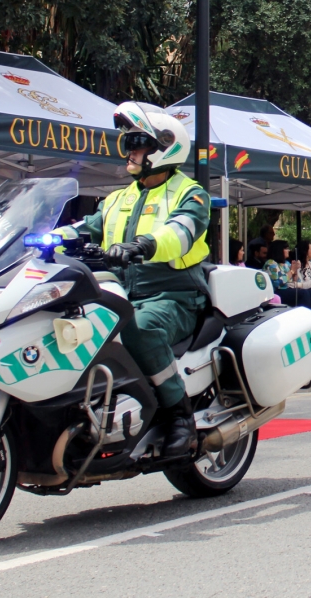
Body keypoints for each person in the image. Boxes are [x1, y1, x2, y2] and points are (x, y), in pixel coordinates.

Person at [55, 101, 210, 457]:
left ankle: (179, 416)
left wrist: (142, 245)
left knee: (139, 328)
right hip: (117, 292)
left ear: (164, 147)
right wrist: (41, 237)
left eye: (138, 143)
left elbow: (181, 233)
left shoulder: (190, 193)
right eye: (128, 143)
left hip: (173, 295)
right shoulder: (117, 199)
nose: (129, 151)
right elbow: (85, 228)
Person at [264, 240, 311, 315]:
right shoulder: (271, 263)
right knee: (303, 293)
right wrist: (292, 271)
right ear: (279, 250)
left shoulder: (286, 263)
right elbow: (277, 283)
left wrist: (295, 272)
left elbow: (296, 281)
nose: (288, 250)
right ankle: (306, 318)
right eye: (286, 248)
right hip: (278, 292)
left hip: (289, 289)